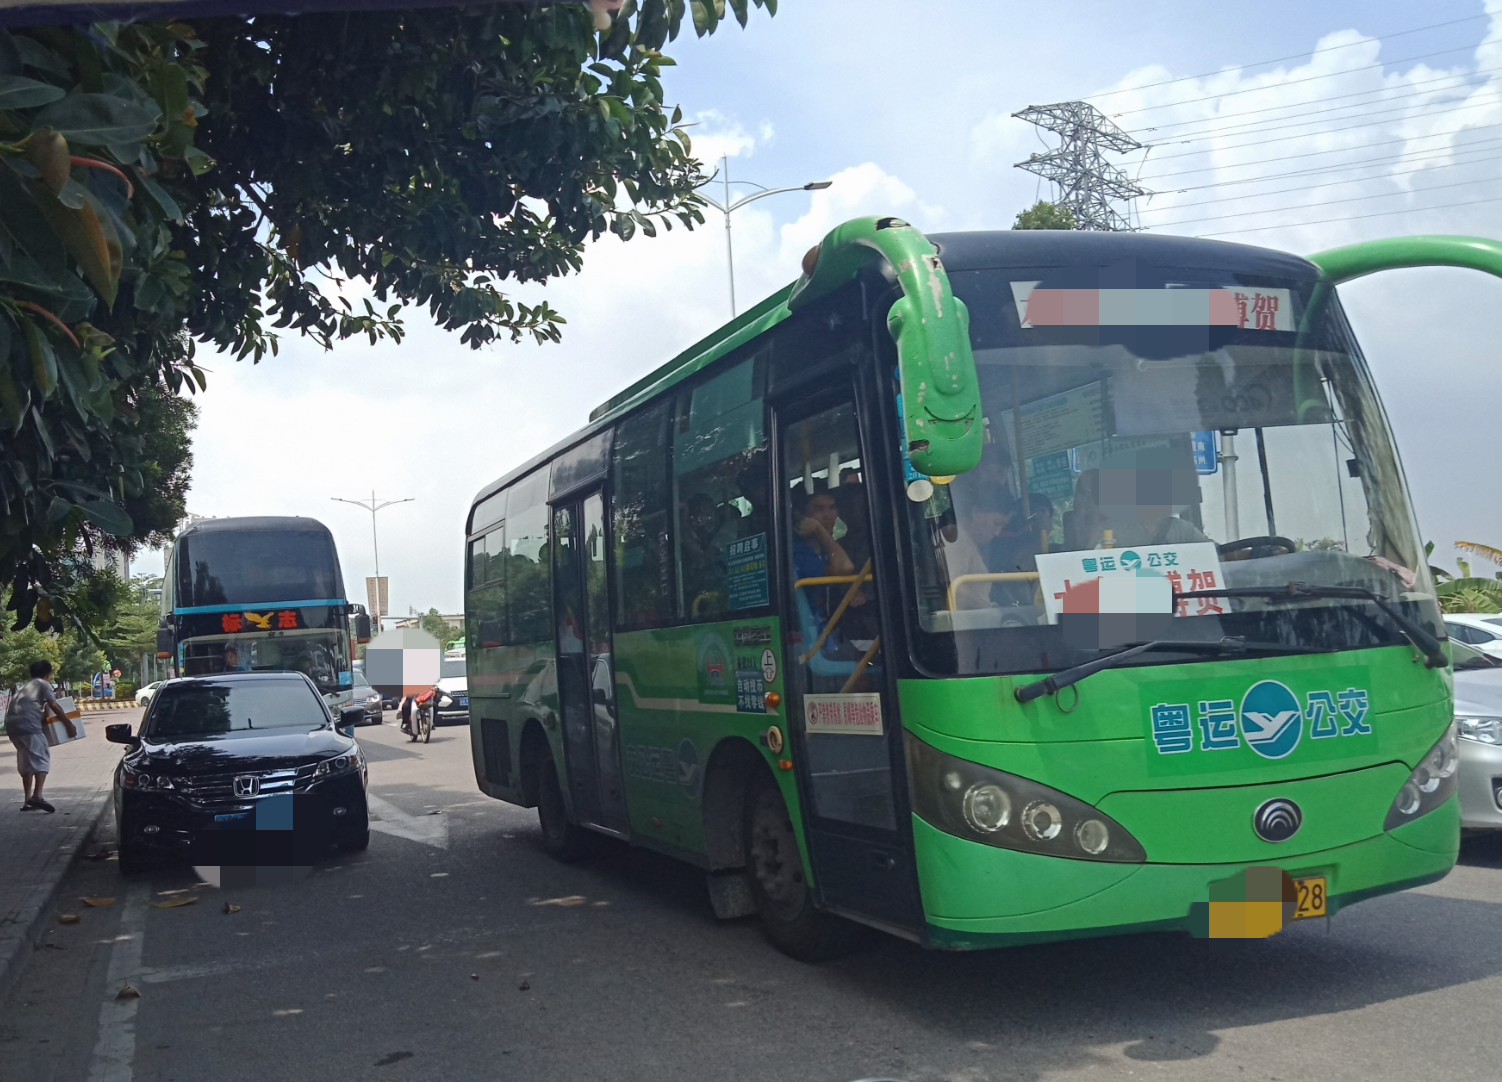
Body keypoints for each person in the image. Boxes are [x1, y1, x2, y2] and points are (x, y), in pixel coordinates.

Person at [3, 660, 76, 813]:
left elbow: (42, 712)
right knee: (42, 759)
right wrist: (69, 724)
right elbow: (54, 705)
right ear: (47, 675)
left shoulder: (25, 687)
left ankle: (27, 801)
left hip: (13, 728)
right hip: (29, 728)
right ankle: (37, 796)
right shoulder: (43, 685)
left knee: (26, 762)